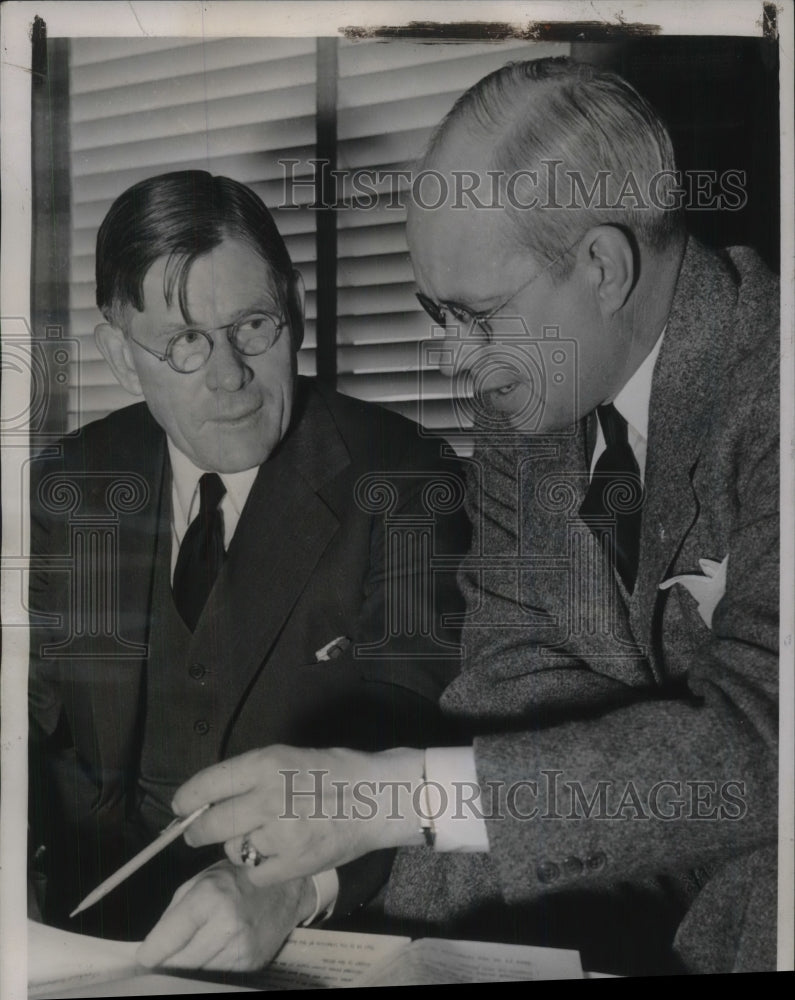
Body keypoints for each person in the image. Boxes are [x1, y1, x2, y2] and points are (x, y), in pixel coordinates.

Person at [163, 58, 779, 976]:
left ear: (603, 266)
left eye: (480, 314)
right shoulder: (528, 402)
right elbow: (518, 726)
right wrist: (315, 872)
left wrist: (381, 798)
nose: (461, 359)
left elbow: (763, 755)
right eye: (437, 313)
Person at [27, 171, 470, 968]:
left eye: (252, 326)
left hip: (305, 939)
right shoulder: (72, 482)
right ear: (123, 359)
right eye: (184, 342)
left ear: (294, 312)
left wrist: (297, 881)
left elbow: (415, 739)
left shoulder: (406, 479)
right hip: (81, 945)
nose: (229, 375)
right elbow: (20, 717)